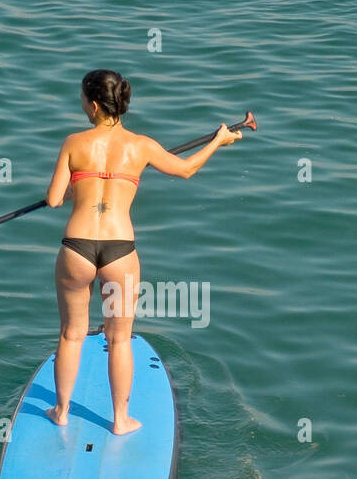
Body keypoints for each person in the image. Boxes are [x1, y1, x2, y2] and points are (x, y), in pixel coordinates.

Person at [44, 70, 242, 434]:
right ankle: (120, 420)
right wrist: (218, 141)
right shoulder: (142, 146)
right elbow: (185, 170)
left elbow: (54, 199)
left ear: (93, 103)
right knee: (119, 338)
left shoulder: (73, 142)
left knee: (72, 334)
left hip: (77, 248)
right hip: (119, 250)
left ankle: (60, 411)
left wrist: (79, 184)